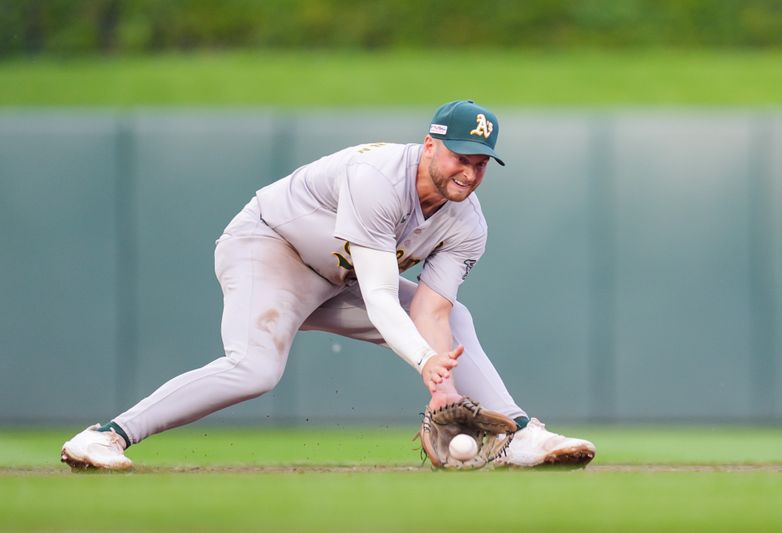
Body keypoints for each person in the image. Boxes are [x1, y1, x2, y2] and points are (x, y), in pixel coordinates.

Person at [61, 100, 595, 470]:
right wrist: (427, 365)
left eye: (481, 164)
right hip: (271, 249)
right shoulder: (380, 178)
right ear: (429, 145)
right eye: (461, 157)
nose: (470, 173)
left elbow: (430, 314)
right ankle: (104, 436)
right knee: (254, 369)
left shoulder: (467, 223)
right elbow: (383, 297)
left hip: (340, 276)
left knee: (459, 318)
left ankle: (522, 436)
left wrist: (445, 391)